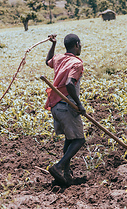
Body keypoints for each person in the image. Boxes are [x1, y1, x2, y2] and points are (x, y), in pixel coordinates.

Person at [45, 33, 86, 185]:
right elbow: (70, 84)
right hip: (66, 105)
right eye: (80, 44)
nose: (80, 46)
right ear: (76, 44)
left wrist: (53, 45)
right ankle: (59, 166)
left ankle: (66, 173)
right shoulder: (76, 63)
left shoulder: (59, 58)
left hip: (55, 106)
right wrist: (79, 104)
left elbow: (48, 61)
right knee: (79, 140)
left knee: (70, 139)